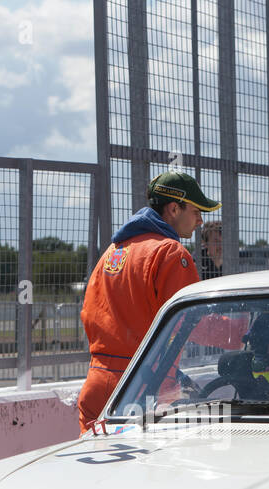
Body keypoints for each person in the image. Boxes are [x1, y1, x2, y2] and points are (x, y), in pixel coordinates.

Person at [77, 170, 220, 432]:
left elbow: (88, 313)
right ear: (174, 209)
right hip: (144, 388)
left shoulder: (113, 251)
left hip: (97, 383)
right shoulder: (171, 253)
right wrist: (245, 331)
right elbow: (195, 323)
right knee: (152, 471)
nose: (200, 220)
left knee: (96, 469)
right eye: (196, 210)